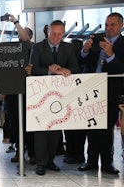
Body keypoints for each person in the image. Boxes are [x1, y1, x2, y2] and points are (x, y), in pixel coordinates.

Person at [30, 20, 81, 176]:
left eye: (59, 34)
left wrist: (65, 70)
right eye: (53, 33)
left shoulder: (68, 48)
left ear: (63, 34)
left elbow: (76, 68)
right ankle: (40, 163)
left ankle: (50, 160)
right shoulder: (38, 47)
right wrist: (48, 70)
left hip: (60, 96)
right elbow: (31, 70)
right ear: (48, 32)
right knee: (41, 131)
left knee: (56, 130)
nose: (56, 37)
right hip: (40, 96)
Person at [77, 12, 124, 175]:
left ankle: (107, 163)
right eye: (107, 25)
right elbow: (81, 62)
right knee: (92, 127)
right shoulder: (98, 41)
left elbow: (121, 69)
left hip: (112, 91)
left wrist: (111, 54)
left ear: (121, 26)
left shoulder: (123, 44)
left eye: (113, 25)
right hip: (92, 90)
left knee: (106, 129)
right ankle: (90, 161)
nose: (109, 28)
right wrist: (85, 50)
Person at [3, 13, 36, 164]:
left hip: (29, 92)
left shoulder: (31, 48)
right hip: (13, 92)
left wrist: (15, 22)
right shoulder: (12, 50)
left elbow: (25, 39)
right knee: (15, 124)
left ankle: (32, 152)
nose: (20, 35)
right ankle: (19, 150)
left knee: (30, 123)